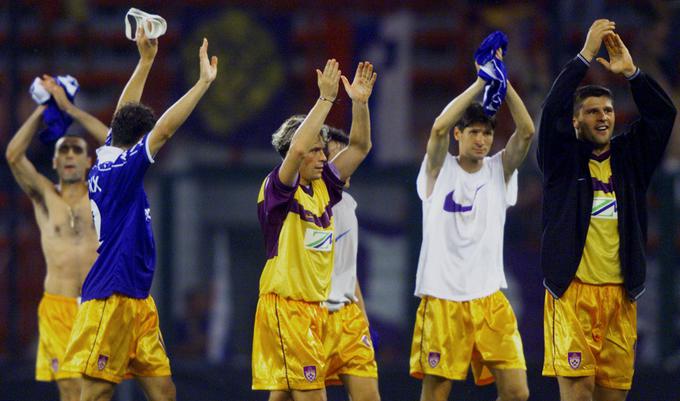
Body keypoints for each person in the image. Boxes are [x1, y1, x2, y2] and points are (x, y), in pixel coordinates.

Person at [60, 36, 218, 401]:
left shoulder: (107, 155)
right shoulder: (123, 169)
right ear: (139, 140)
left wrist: (145, 61)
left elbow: (123, 111)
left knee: (164, 390)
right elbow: (163, 131)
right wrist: (202, 83)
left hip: (137, 299)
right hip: (111, 296)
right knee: (96, 393)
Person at [538, 19, 676, 401]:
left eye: (608, 110)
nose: (603, 117)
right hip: (573, 296)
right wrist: (584, 57)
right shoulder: (561, 162)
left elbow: (663, 115)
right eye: (593, 111)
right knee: (579, 396)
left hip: (619, 297)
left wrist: (632, 72)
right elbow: (550, 113)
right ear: (576, 120)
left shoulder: (631, 158)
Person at [409, 50, 534, 401]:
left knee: (517, 391)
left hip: (490, 299)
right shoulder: (438, 169)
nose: (482, 139)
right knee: (436, 393)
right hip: (443, 298)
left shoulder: (499, 171)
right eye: (474, 132)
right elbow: (438, 127)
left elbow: (526, 132)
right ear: (459, 135)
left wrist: (504, 83)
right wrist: (481, 80)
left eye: (487, 133)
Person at [252, 60, 376, 401]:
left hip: (315, 309)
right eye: (316, 151)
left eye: (324, 150)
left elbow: (361, 148)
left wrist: (360, 105)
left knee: (287, 394)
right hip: (286, 306)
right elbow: (295, 149)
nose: (324, 157)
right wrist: (325, 100)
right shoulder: (278, 190)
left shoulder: (324, 187)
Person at [5, 82, 107, 401]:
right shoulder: (45, 196)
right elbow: (13, 155)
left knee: (97, 391)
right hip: (58, 305)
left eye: (77, 149)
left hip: (96, 305)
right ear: (54, 163)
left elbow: (120, 147)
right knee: (69, 388)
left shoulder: (102, 195)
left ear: (89, 161)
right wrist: (43, 108)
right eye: (64, 150)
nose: (70, 155)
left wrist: (71, 109)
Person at [273, 126, 381, 401]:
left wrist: (363, 318)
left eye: (328, 154)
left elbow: (347, 270)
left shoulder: (349, 206)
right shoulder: (297, 203)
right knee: (285, 393)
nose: (327, 162)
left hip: (347, 318)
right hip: (307, 316)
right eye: (322, 154)